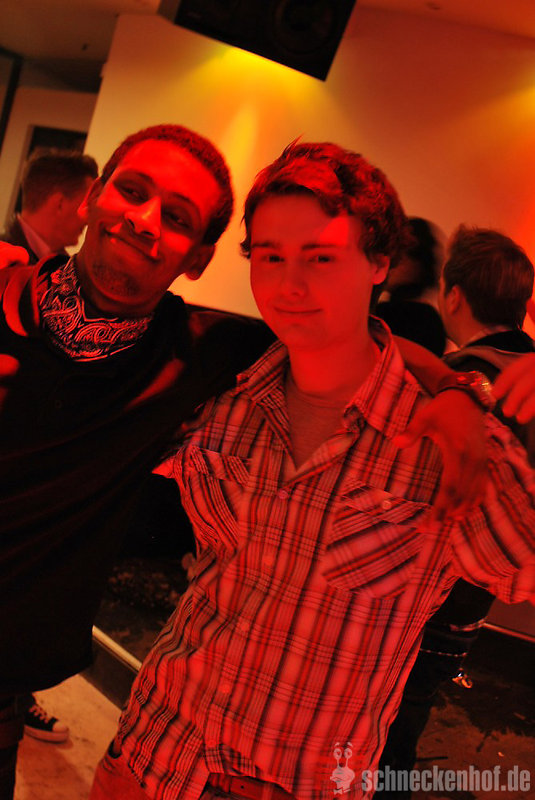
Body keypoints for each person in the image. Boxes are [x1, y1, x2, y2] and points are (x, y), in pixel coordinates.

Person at [0, 124, 486, 800]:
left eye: (177, 217)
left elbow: (342, 338)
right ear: (92, 198)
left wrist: (457, 390)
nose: (144, 219)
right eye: (132, 191)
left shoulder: (201, 353)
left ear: (199, 258)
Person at [375, 225, 535, 797]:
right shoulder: (530, 377)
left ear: (455, 296)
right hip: (478, 602)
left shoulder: (458, 383)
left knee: (381, 734)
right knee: (413, 714)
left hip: (421, 601)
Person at [0, 147, 98, 745]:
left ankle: (16, 693)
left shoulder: (72, 275)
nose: (93, 217)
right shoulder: (3, 255)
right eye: (89, 202)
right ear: (63, 202)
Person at [1, 148, 98, 263]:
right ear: (60, 204)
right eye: (86, 205)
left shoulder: (64, 266)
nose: (88, 218)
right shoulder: (5, 265)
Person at [375, 216, 446, 357]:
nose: (386, 261)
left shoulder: (385, 318)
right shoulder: (432, 319)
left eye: (395, 253)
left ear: (416, 263)